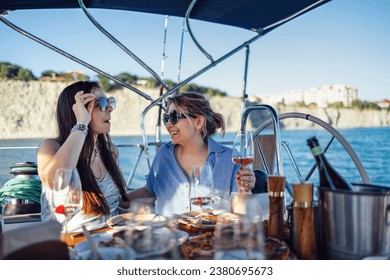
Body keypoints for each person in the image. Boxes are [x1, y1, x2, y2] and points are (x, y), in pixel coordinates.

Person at [129, 92, 256, 216]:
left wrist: (244, 191)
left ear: (198, 122)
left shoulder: (230, 160)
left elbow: (240, 214)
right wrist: (114, 199)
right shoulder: (163, 155)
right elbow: (149, 191)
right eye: (166, 119)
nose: (168, 124)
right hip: (169, 235)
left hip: (210, 235)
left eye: (174, 117)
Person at [37, 81, 129, 232]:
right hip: (70, 243)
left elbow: (113, 204)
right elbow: (57, 180)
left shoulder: (111, 151)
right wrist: (82, 123)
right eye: (102, 103)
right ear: (78, 110)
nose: (110, 108)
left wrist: (150, 194)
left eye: (109, 102)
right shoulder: (51, 147)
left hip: (110, 240)